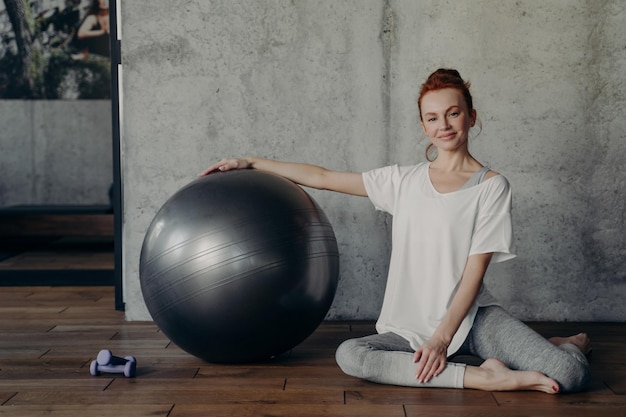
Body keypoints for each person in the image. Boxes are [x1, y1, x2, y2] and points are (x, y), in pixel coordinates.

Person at [200, 68, 591, 393]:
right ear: (423, 125)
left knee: (571, 375)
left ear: (471, 117)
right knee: (351, 355)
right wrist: (250, 161)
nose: (444, 125)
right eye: (433, 118)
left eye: (453, 114)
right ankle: (484, 377)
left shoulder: (492, 186)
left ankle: (565, 346)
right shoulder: (403, 181)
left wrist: (441, 339)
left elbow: (474, 275)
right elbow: (322, 176)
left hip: (472, 322)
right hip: (408, 330)